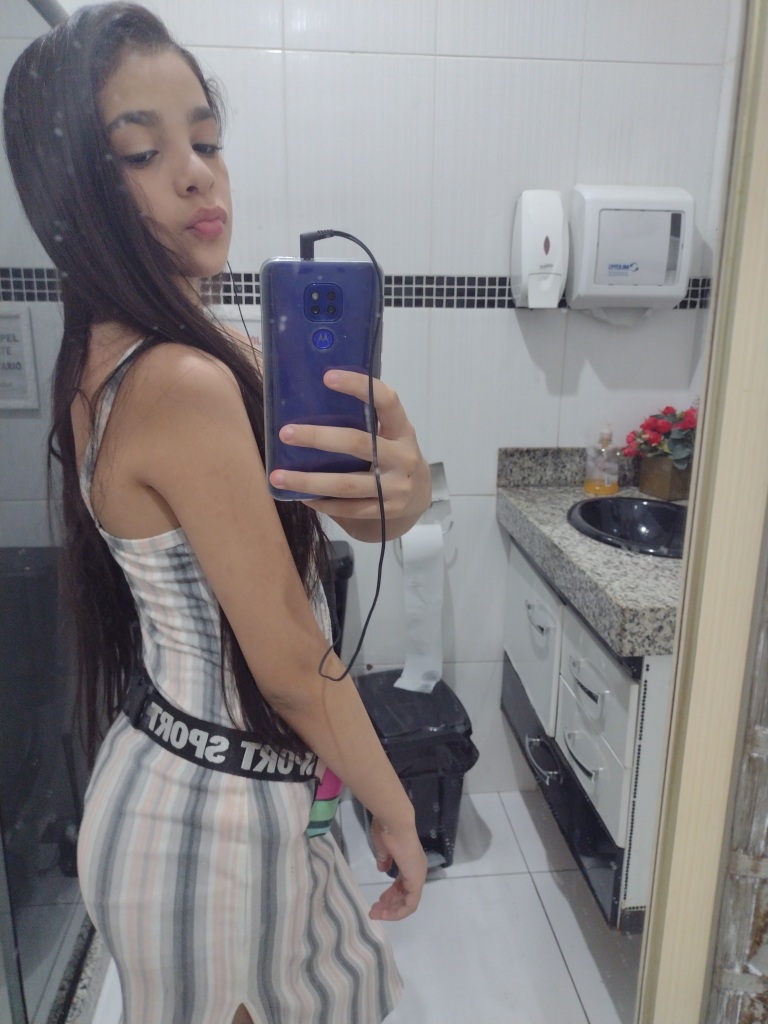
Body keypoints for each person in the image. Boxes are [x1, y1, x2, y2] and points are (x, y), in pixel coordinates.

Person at [3, 4, 432, 1022]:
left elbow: (327, 522)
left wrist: (401, 496)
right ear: (73, 194)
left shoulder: (172, 351)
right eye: (143, 152)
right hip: (209, 829)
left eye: (206, 138)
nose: (199, 174)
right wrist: (397, 806)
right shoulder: (179, 379)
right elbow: (287, 656)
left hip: (212, 781)